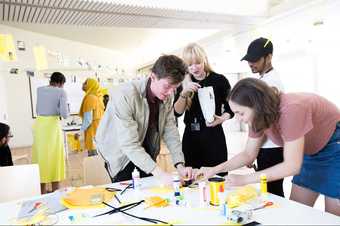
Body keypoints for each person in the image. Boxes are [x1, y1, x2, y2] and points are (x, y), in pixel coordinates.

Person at [196, 78, 340, 216]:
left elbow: (291, 166)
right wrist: (215, 170)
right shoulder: (258, 117)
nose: (239, 119)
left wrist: (244, 180)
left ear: (256, 106)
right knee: (297, 211)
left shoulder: (292, 109)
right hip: (310, 153)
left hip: (335, 147)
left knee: (333, 217)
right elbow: (248, 154)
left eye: (240, 113)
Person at [96, 55, 192, 184]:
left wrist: (179, 165)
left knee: (149, 192)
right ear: (153, 77)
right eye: (167, 86)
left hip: (146, 151)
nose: (170, 93)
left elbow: (170, 130)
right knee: (130, 195)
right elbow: (129, 144)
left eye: (175, 88)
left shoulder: (167, 95)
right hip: (121, 155)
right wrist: (160, 174)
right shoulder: (125, 94)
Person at [173, 43, 234, 171]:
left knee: (217, 179)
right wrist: (184, 93)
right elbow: (177, 113)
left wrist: (222, 119)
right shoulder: (182, 83)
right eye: (190, 65)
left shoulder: (219, 80)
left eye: (197, 63)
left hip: (214, 136)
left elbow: (231, 107)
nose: (194, 68)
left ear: (204, 60)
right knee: (191, 180)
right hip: (191, 138)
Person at [241, 37, 285, 197]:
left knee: (273, 193)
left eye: (255, 59)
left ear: (269, 57)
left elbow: (260, 120)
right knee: (269, 192)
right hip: (265, 147)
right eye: (249, 60)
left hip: (272, 148)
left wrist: (251, 150)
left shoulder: (271, 83)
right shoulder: (263, 80)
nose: (251, 63)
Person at [32, 72, 69, 194]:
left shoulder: (39, 90)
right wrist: (62, 106)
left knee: (41, 158)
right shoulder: (61, 92)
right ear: (60, 83)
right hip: (52, 127)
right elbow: (64, 114)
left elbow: (38, 109)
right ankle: (54, 193)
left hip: (40, 125)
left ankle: (41, 194)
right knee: (55, 157)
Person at [76, 78, 105, 156]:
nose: (83, 83)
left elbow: (88, 120)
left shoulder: (90, 98)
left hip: (93, 135)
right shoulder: (98, 98)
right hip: (99, 135)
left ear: (91, 86)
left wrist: (79, 133)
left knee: (94, 161)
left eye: (85, 83)